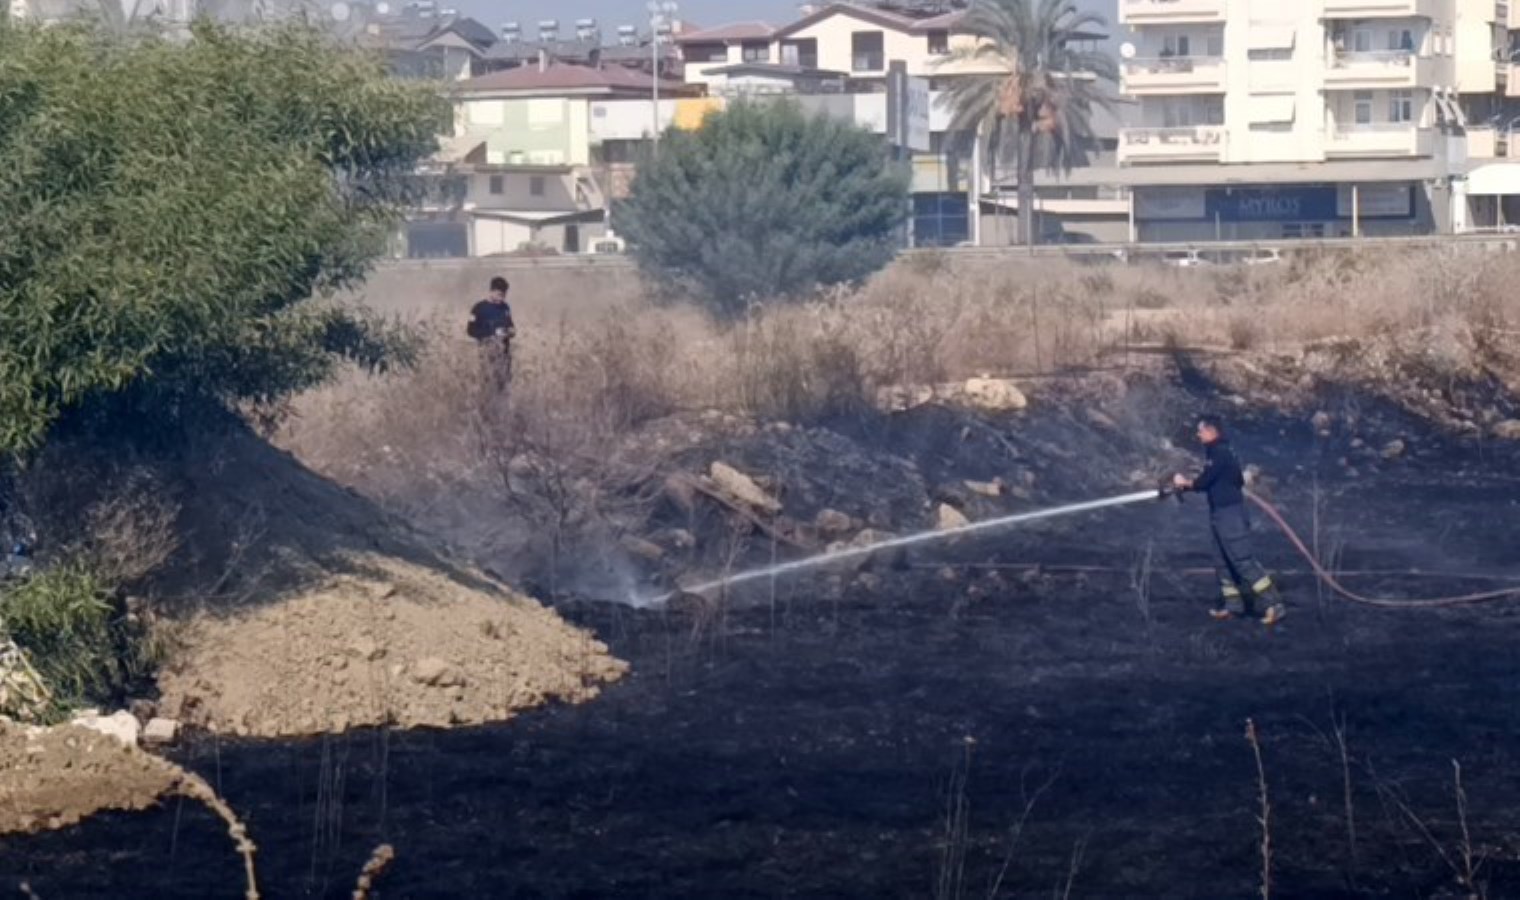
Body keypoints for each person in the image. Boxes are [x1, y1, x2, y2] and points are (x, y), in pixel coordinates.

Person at [1172, 416, 1287, 626]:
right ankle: (1233, 607)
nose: (1198, 435)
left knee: (1242, 560)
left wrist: (1184, 483)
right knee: (1222, 561)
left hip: (1230, 515)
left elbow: (1205, 481)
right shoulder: (1219, 451)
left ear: (1212, 431)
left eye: (1201, 430)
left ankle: (1274, 604)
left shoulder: (1220, 453)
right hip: (1220, 513)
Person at [467, 276, 515, 384]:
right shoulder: (479, 308)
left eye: (504, 295)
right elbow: (471, 331)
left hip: (504, 356)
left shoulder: (505, 307)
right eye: (499, 295)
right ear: (491, 291)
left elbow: (510, 324)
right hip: (487, 354)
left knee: (504, 385)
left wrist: (510, 331)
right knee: (488, 383)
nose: (502, 298)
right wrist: (491, 334)